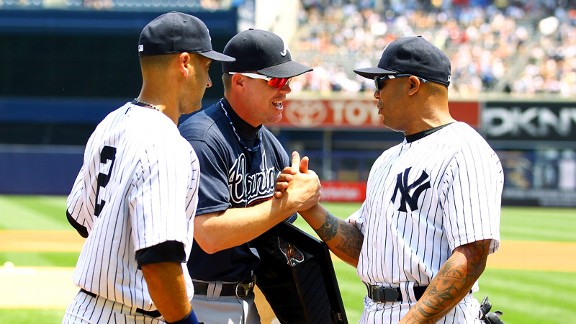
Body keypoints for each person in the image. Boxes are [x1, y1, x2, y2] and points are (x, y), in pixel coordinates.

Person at [279, 36, 504, 323]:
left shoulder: (465, 150)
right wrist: (309, 206)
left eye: (381, 82)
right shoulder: (387, 160)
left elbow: (471, 256)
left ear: (412, 84)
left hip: (436, 316)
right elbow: (366, 248)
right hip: (375, 310)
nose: (375, 94)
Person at [63, 11, 234, 324]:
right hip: (131, 315)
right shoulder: (166, 143)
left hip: (85, 310)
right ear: (184, 63)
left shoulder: (110, 123)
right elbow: (160, 257)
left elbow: (80, 219)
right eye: (206, 66)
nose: (209, 80)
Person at [177, 28, 320, 324]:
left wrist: (307, 200)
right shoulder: (203, 138)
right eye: (277, 81)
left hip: (247, 301)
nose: (287, 90)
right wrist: (286, 204)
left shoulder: (271, 147)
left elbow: (277, 249)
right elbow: (210, 234)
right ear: (240, 81)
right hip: (198, 300)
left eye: (289, 81)